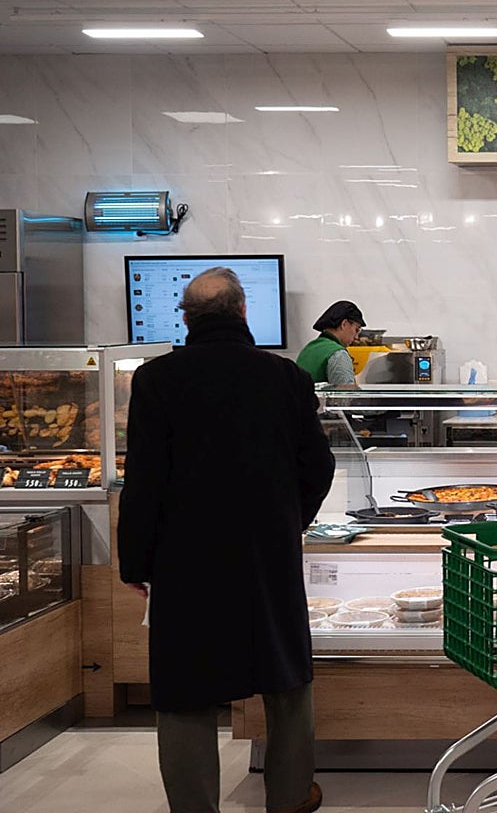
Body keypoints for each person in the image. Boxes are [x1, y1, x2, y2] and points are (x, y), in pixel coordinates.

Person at [118, 267, 335, 813]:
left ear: (186, 319)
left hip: (183, 553)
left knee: (184, 684)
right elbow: (318, 464)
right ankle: (288, 796)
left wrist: (136, 564)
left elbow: (144, 479)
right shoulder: (284, 377)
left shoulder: (156, 379)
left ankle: (195, 805)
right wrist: (292, 520)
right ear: (244, 312)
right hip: (267, 550)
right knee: (285, 674)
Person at [295, 300, 365, 384]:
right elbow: (346, 394)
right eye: (356, 329)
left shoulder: (308, 349)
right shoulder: (338, 354)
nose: (356, 337)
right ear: (344, 324)